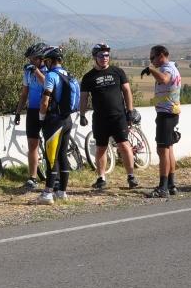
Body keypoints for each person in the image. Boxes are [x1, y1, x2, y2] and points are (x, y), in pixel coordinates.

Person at [79, 43, 139, 191]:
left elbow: (127, 91)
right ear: (95, 57)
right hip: (100, 118)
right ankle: (101, 178)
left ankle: (131, 176)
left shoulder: (117, 72)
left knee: (124, 145)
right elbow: (84, 98)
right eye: (101, 55)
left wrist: (130, 111)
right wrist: (82, 114)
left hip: (118, 116)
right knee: (101, 148)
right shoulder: (88, 77)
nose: (105, 58)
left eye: (107, 55)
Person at [36, 47, 76, 204]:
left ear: (51, 61)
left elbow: (45, 100)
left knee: (51, 157)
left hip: (54, 120)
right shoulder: (68, 75)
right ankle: (62, 192)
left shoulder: (51, 76)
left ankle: (47, 194)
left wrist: (41, 117)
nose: (45, 64)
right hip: (67, 120)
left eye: (46, 61)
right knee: (63, 155)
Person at [141, 45, 181, 199]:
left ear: (162, 55)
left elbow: (164, 79)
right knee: (169, 149)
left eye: (153, 58)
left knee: (162, 150)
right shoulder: (172, 67)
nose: (152, 61)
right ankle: (171, 185)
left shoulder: (167, 69)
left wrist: (151, 70)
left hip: (166, 114)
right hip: (170, 112)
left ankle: (163, 187)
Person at [14, 43, 48, 191]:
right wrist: (18, 111)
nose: (30, 62)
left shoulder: (49, 70)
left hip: (47, 111)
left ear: (41, 59)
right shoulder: (27, 72)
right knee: (32, 145)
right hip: (33, 111)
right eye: (29, 59)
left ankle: (55, 176)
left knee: (50, 144)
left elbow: (47, 84)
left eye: (33, 59)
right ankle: (32, 178)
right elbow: (24, 93)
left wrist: (36, 71)